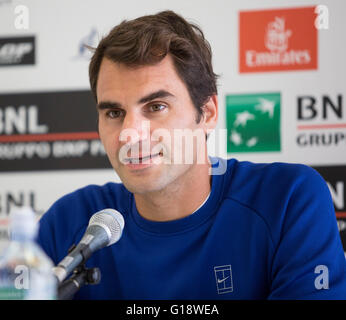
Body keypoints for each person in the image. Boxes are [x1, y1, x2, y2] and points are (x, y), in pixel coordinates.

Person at [37, 10, 346, 299]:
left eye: (156, 107)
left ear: (208, 112)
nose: (129, 134)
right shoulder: (72, 223)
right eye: (115, 112)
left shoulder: (287, 199)